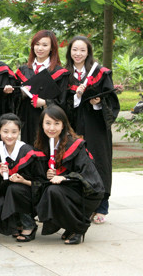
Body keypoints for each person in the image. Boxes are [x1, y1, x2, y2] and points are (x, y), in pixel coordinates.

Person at [64, 36, 119, 224]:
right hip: (74, 126)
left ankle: (101, 207)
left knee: (99, 163)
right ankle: (83, 206)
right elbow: (61, 103)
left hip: (97, 127)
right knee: (77, 164)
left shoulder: (101, 73)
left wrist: (98, 102)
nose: (78, 54)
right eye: (74, 50)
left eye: (82, 50)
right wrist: (77, 97)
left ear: (88, 53)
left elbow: (111, 101)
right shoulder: (64, 75)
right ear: (69, 52)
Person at [35, 105, 104, 245]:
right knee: (43, 190)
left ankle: (78, 228)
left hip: (87, 192)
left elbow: (87, 174)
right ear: (42, 125)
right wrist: (48, 174)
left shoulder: (75, 145)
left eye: (56, 123)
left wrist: (64, 177)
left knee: (53, 191)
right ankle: (69, 225)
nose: (52, 128)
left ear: (63, 125)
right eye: (47, 123)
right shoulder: (42, 145)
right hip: (68, 190)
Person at [0, 113, 46, 242]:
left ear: (19, 131)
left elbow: (41, 183)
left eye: (14, 132)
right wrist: (1, 174)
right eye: (5, 131)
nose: (9, 136)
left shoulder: (29, 153)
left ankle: (29, 225)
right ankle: (16, 224)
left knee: (15, 189)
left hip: (31, 195)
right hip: (10, 193)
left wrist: (23, 181)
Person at [15, 30, 69, 145]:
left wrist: (45, 103)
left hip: (50, 122)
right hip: (28, 121)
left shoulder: (60, 73)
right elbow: (13, 101)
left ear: (52, 48)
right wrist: (21, 94)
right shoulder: (23, 70)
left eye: (45, 45)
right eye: (37, 44)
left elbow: (63, 101)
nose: (40, 48)